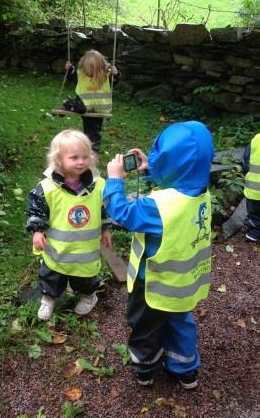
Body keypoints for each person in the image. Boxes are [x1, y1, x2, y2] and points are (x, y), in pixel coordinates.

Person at [103, 121, 214, 389]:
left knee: (145, 326)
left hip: (152, 284)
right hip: (185, 284)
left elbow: (122, 213)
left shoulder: (157, 207)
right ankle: (185, 369)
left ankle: (145, 367)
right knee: (180, 323)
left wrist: (115, 180)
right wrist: (151, 168)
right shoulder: (201, 193)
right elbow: (180, 179)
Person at [26, 129, 112, 321]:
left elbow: (104, 209)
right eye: (74, 157)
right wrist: (37, 231)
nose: (81, 161)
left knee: (85, 277)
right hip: (57, 249)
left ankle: (89, 295)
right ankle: (48, 298)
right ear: (58, 160)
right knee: (52, 275)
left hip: (86, 251)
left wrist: (106, 229)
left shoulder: (98, 186)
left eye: (85, 156)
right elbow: (36, 211)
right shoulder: (47, 188)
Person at [60, 50, 120, 154]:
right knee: (86, 122)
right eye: (88, 70)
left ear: (99, 67)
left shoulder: (107, 75)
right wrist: (69, 69)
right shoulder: (81, 73)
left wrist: (116, 74)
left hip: (99, 108)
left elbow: (115, 81)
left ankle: (93, 152)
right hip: (83, 104)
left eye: (92, 71)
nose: (90, 74)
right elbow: (72, 76)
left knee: (94, 131)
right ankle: (68, 104)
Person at [242, 132, 260, 242]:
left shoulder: (257, 138)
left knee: (255, 213)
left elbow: (245, 161)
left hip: (254, 187)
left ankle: (255, 233)